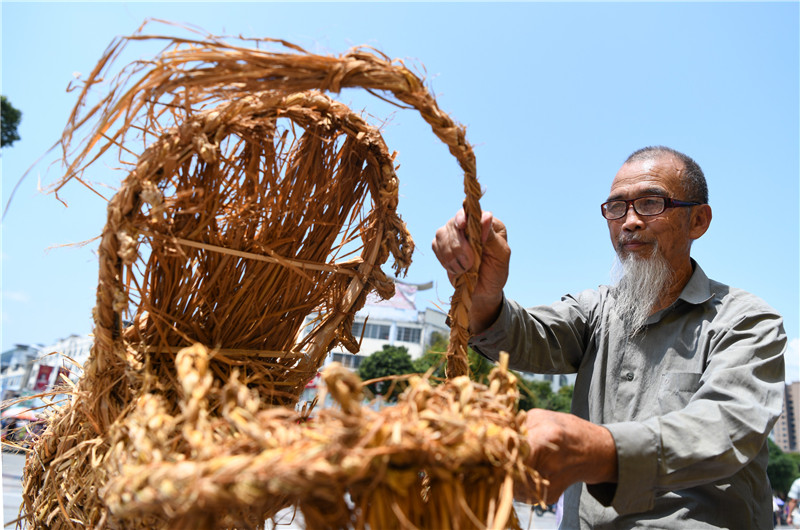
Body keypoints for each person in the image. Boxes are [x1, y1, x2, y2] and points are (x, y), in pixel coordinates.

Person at [432, 146, 786, 529]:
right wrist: (483, 292)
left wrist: (597, 450)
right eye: (617, 208)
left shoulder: (745, 320)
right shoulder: (595, 310)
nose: (630, 221)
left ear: (698, 221)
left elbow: (728, 427)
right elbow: (524, 337)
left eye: (651, 203)